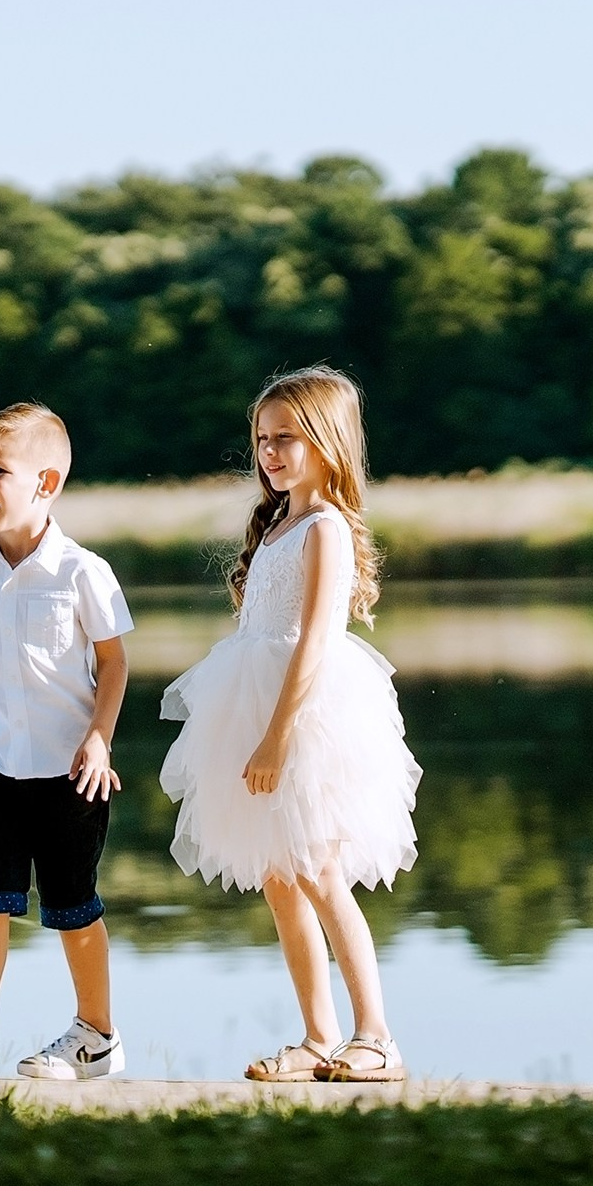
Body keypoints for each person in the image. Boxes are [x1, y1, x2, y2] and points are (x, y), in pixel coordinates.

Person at [160, 366, 421, 1083]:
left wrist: (277, 735)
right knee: (280, 877)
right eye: (262, 439)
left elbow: (312, 643)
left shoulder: (326, 528)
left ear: (328, 443)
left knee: (319, 869)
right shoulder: (277, 524)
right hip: (253, 705)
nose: (270, 452)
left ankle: (377, 1035)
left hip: (305, 718)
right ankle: (317, 1036)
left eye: (287, 439)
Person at [0, 402, 135, 1081]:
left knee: (72, 904)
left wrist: (100, 740)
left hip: (71, 771)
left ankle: (97, 1034)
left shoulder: (81, 571)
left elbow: (115, 662)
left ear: (46, 484)